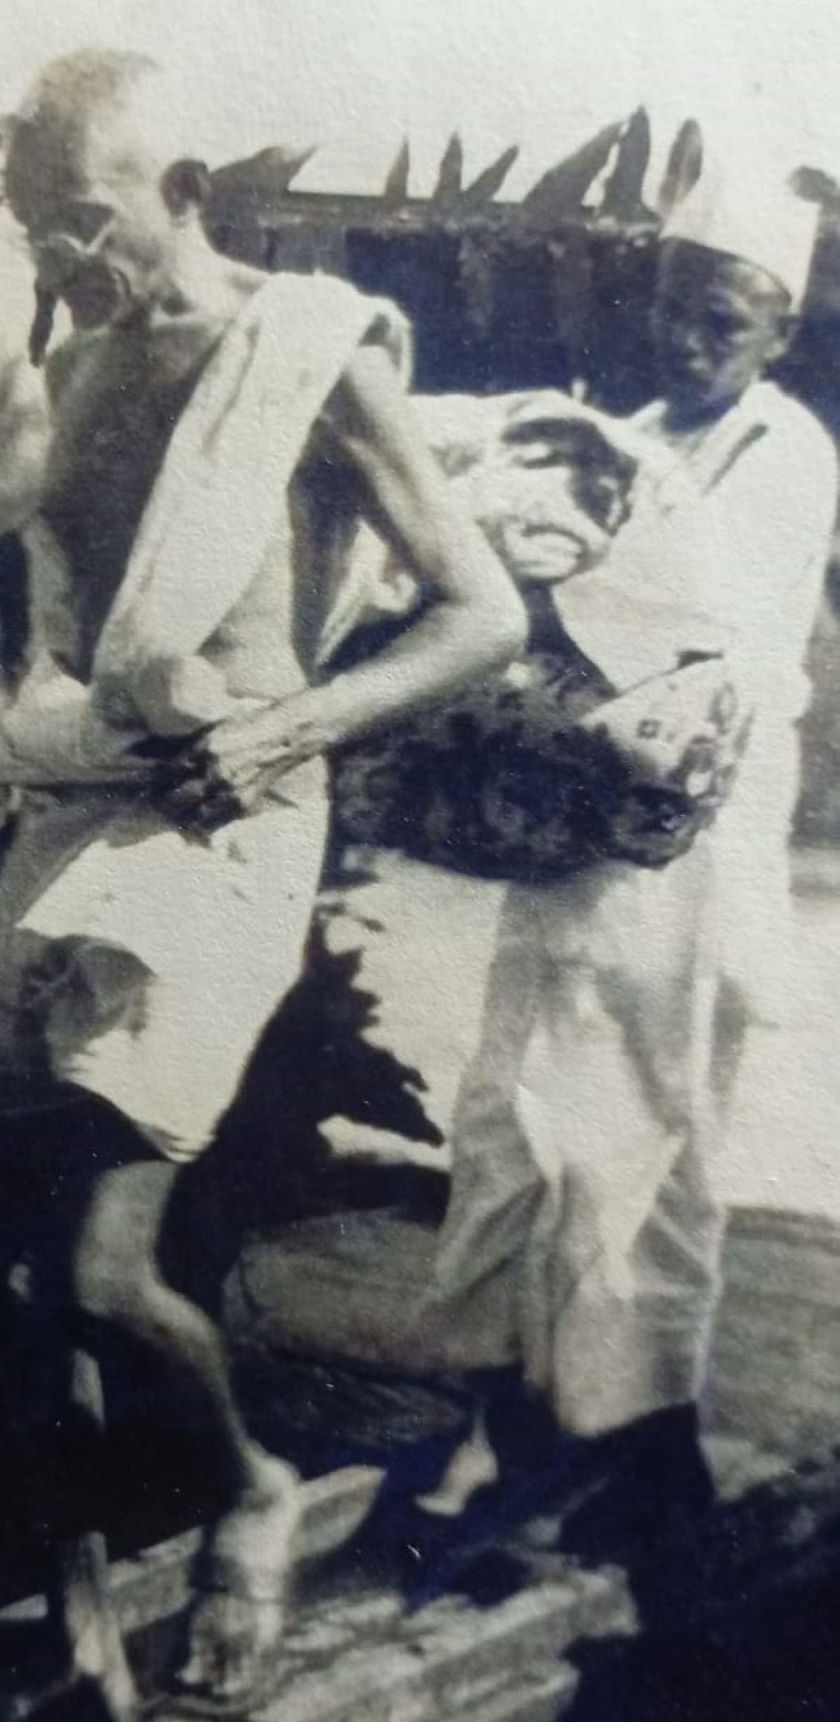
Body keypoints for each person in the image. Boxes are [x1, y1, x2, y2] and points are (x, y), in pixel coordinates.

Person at [0, 48, 525, 1718]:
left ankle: (250, 1485)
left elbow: (484, 618)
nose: (56, 264)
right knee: (1, 1242)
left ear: (181, 189)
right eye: (32, 230)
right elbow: (79, 637)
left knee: (99, 1265)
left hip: (238, 821)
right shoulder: (81, 368)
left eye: (82, 225)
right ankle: (79, 1605)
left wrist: (286, 727)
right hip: (82, 803)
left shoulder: (305, 356)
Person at [410, 170, 839, 1553]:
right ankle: (515, 1415)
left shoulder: (786, 448)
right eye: (676, 309)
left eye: (725, 319)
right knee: (510, 1104)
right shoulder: (633, 432)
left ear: (775, 329)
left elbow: (701, 612)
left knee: (648, 1135)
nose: (693, 340)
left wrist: (561, 562)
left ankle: (635, 1445)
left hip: (693, 838)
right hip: (582, 818)